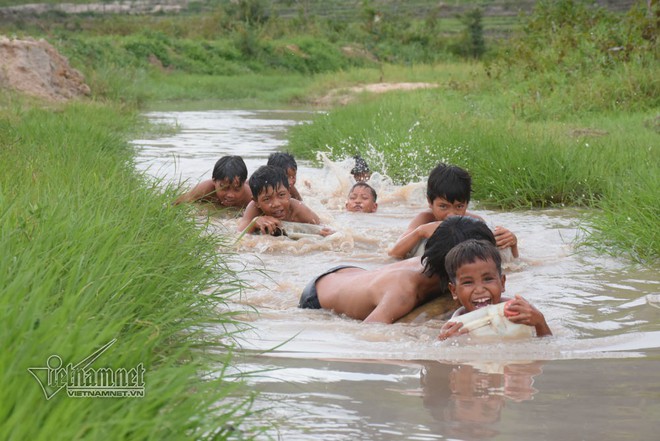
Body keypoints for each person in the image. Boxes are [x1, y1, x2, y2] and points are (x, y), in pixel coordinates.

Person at [298, 216, 496, 324]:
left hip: (355, 275)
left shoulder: (446, 261)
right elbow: (368, 334)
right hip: (318, 295)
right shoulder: (404, 292)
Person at [388, 162, 518, 259]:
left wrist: (513, 244)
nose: (451, 215)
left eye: (459, 206)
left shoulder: (475, 222)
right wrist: (420, 232)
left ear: (467, 204)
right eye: (443, 206)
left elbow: (509, 263)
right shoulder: (424, 219)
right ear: (429, 202)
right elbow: (393, 253)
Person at [438, 239, 552, 340]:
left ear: (502, 283)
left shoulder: (520, 311)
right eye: (468, 282)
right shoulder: (454, 327)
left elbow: (547, 344)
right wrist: (447, 341)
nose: (479, 289)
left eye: (488, 279)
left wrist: (540, 323)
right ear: (454, 291)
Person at [237, 165, 331, 236]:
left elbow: (326, 230)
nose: (276, 204)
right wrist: (254, 223)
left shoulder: (298, 209)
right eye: (267, 199)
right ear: (257, 202)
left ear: (289, 193)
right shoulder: (254, 208)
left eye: (281, 195)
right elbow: (238, 237)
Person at [174, 155, 252, 208]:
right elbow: (176, 204)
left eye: (236, 189)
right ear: (214, 181)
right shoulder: (204, 189)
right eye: (224, 188)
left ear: (243, 183)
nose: (230, 195)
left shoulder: (250, 198)